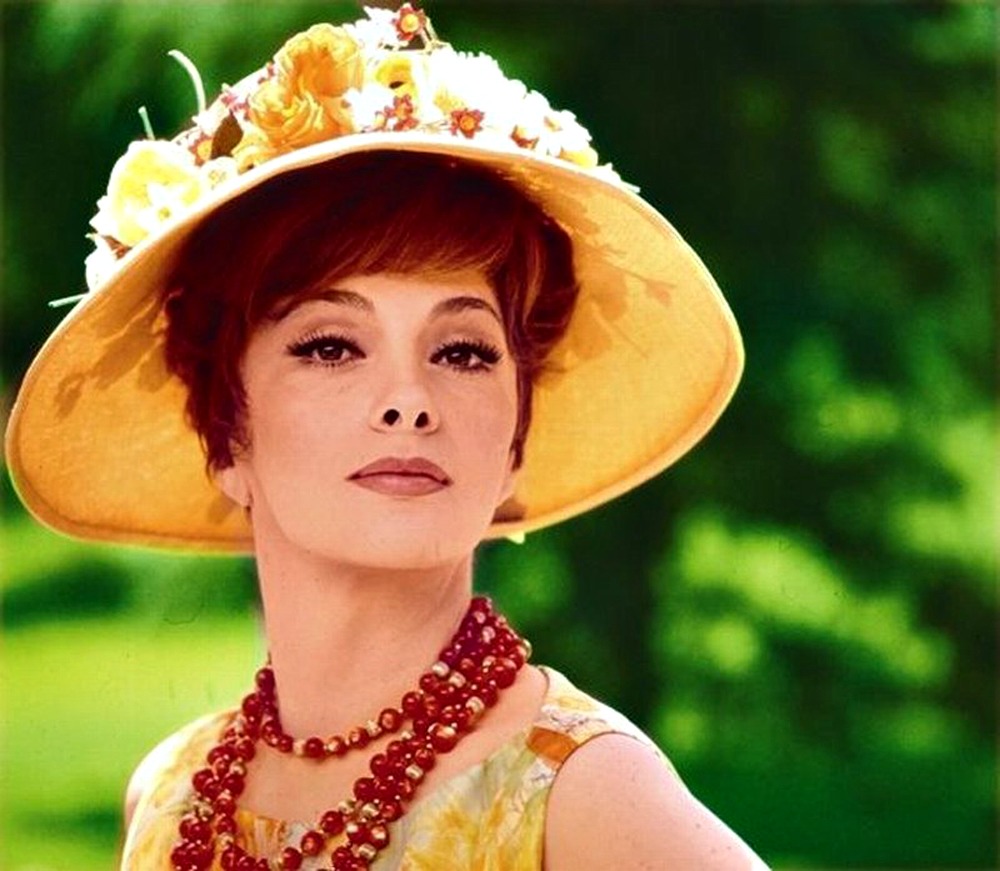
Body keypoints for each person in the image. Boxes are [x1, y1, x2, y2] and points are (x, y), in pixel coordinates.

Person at [5, 6, 766, 870]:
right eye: (332, 346)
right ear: (225, 435)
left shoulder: (579, 793)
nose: (408, 401)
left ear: (515, 442)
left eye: (463, 351)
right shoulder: (169, 797)